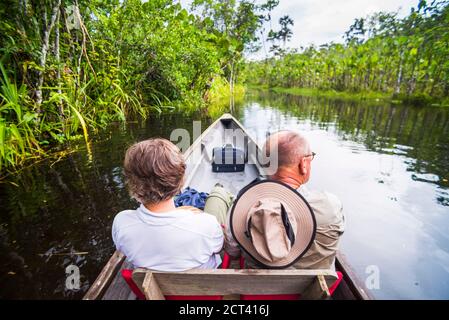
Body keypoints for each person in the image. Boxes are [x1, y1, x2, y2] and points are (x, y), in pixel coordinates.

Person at [225, 130, 345, 270]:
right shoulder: (331, 206)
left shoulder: (242, 207)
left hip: (256, 288)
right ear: (303, 164)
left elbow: (232, 251)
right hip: (311, 289)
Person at [112, 138, 224, 272]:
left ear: (132, 184)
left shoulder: (121, 223)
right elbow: (219, 248)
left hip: (151, 291)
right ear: (180, 181)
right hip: (204, 289)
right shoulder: (207, 223)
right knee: (218, 196)